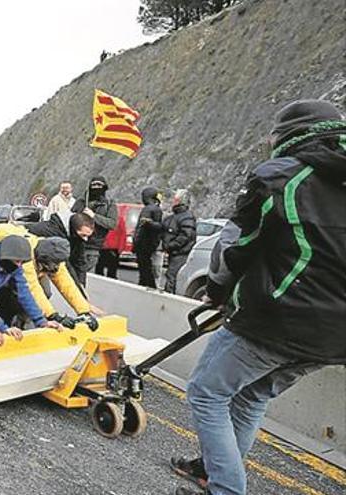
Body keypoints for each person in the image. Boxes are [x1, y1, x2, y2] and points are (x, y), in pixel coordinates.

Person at [172, 100, 346, 495]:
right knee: (250, 396)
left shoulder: (281, 177)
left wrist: (217, 290)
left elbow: (237, 247)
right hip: (335, 339)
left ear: (287, 136)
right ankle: (209, 471)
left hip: (277, 320)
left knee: (206, 391)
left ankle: (225, 488)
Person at [0, 223, 101, 328]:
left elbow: (66, 284)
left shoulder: (54, 253)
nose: (53, 270)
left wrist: (83, 311)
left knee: (46, 292)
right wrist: (53, 316)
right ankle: (4, 323)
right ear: (42, 260)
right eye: (49, 268)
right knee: (12, 298)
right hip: (3, 263)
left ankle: (24, 320)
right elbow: (31, 289)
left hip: (28, 264)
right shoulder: (24, 258)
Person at [28, 211, 96, 286]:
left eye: (87, 236)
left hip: (46, 266)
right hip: (29, 262)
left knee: (47, 293)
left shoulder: (79, 238)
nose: (85, 239)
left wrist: (81, 284)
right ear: (74, 229)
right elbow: (66, 264)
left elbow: (79, 262)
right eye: (83, 235)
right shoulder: (49, 230)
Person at [71, 176, 118, 283]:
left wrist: (94, 216)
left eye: (99, 185)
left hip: (94, 245)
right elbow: (71, 217)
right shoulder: (81, 201)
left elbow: (112, 224)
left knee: (86, 276)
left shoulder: (109, 204)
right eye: (94, 185)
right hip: (77, 243)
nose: (96, 187)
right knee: (74, 275)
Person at [161, 189, 197, 294]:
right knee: (170, 276)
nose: (173, 201)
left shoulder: (186, 217)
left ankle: (169, 301)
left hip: (180, 253)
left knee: (173, 276)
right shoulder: (175, 216)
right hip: (174, 252)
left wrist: (170, 245)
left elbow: (185, 236)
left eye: (175, 199)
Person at [134, 187, 164, 289]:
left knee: (145, 271)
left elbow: (141, 229)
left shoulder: (149, 209)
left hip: (145, 245)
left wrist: (136, 243)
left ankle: (147, 288)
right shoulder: (156, 209)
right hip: (149, 245)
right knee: (147, 271)